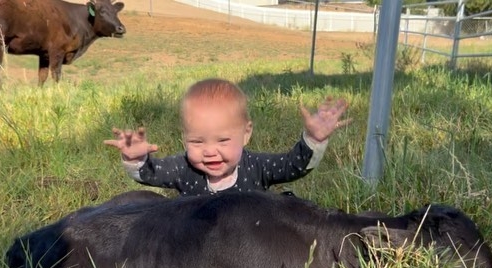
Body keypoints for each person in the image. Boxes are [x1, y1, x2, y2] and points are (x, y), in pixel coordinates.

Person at [104, 78, 349, 196]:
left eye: (223, 141)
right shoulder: (184, 169)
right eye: (197, 142)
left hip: (248, 251)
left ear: (246, 134)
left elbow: (293, 167)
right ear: (184, 139)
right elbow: (150, 174)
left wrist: (314, 139)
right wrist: (136, 159)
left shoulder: (256, 167)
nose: (210, 151)